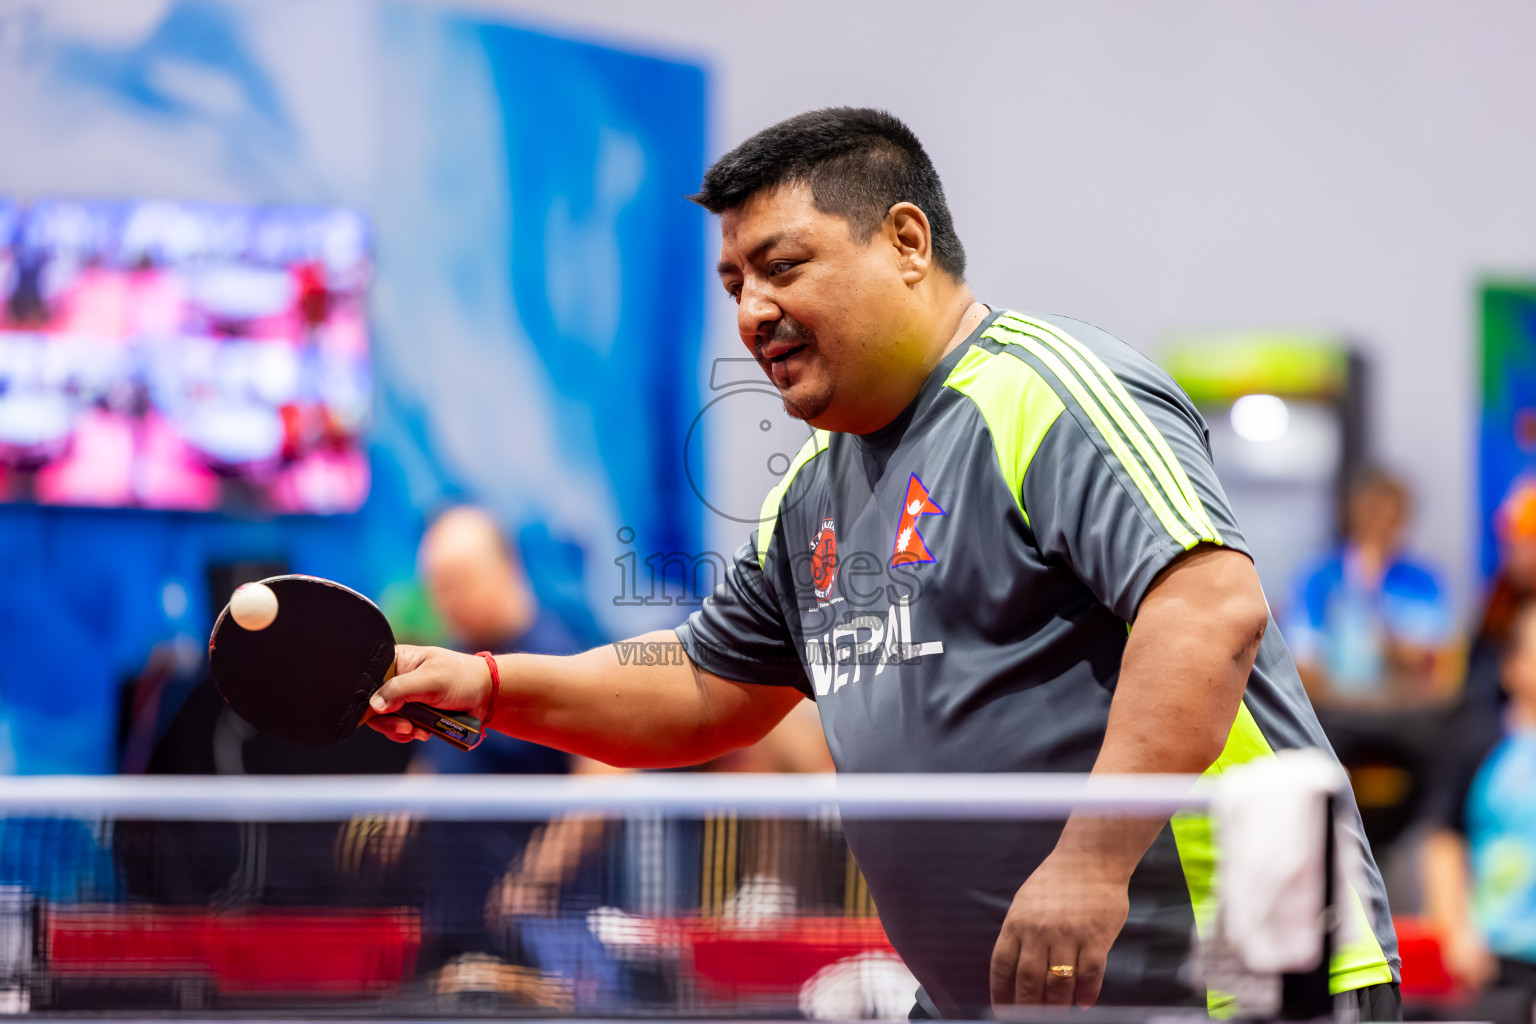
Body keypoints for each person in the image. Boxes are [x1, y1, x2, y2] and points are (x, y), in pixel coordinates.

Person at [366, 108, 1399, 1019]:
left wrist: (1090, 863)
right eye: (734, 283)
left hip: (1230, 984)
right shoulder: (813, 490)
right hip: (992, 998)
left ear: (907, 241)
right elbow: (699, 685)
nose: (751, 311)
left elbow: (1208, 610)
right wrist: (490, 686)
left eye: (782, 265)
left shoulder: (1050, 389)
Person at [1420, 600, 1536, 1024]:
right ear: (1513, 667)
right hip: (1499, 958)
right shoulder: (1481, 744)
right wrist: (1455, 931)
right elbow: (1444, 840)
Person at [415, 505, 585, 774]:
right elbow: (429, 769)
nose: (448, 602)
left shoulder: (563, 657)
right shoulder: (446, 660)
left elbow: (603, 771)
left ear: (506, 567)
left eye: (459, 583)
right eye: (439, 588)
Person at [1286, 469, 1454, 708]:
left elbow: (1436, 670)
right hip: (1334, 715)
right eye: (1374, 515)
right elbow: (1301, 662)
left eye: (1393, 519)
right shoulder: (1318, 578)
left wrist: (1373, 601)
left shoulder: (1424, 583)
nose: (1382, 529)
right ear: (1354, 515)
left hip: (1405, 718)